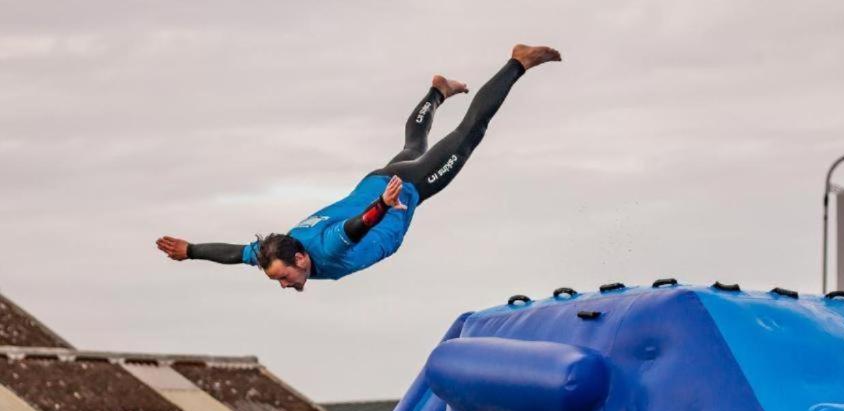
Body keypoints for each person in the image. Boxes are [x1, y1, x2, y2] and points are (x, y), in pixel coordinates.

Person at [156, 43, 561, 291]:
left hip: (400, 190)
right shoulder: (278, 248)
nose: (283, 284)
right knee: (413, 144)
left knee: (469, 133)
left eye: (284, 277)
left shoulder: (322, 248)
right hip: (378, 184)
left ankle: (517, 62)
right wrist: (191, 251)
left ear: (300, 261)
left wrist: (384, 206)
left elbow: (354, 229)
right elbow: (234, 254)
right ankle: (436, 90)